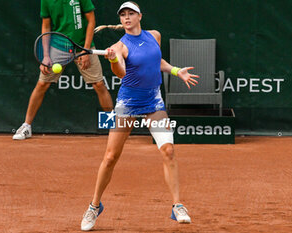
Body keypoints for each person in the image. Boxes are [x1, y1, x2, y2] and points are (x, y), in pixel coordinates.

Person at [80, 1, 199, 231]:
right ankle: (95, 206)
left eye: (130, 13)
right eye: (123, 14)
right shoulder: (120, 46)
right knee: (111, 157)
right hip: (128, 103)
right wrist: (114, 60)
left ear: (139, 16)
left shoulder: (155, 36)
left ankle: (177, 206)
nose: (126, 17)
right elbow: (121, 73)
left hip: (154, 101)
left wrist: (175, 71)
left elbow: (156, 61)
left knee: (169, 150)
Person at [13, 0, 113, 140]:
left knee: (99, 84)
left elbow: (91, 20)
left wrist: (86, 49)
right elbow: (46, 26)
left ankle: (114, 127)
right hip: (59, 45)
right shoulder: (46, 1)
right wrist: (46, 56)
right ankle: (26, 126)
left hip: (82, 45)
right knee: (42, 84)